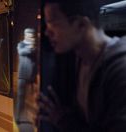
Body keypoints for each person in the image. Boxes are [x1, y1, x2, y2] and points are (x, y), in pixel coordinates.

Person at [38, 0, 126, 131]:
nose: (47, 32)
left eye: (53, 23)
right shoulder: (80, 59)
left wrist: (65, 121)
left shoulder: (120, 68)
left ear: (80, 24)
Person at [15, 28, 37, 132]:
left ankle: (32, 118)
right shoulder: (21, 45)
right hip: (22, 76)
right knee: (21, 98)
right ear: (25, 35)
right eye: (28, 35)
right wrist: (30, 46)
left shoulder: (33, 46)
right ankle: (18, 118)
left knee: (32, 99)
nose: (30, 37)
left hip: (32, 76)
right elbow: (22, 52)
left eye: (31, 35)